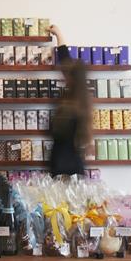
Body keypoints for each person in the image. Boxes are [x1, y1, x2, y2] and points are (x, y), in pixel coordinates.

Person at [47, 25, 92, 176]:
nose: (63, 77)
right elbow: (65, 58)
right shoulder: (81, 95)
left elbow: (55, 131)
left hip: (65, 165)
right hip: (70, 162)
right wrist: (58, 34)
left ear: (72, 78)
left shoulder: (71, 108)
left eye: (66, 75)